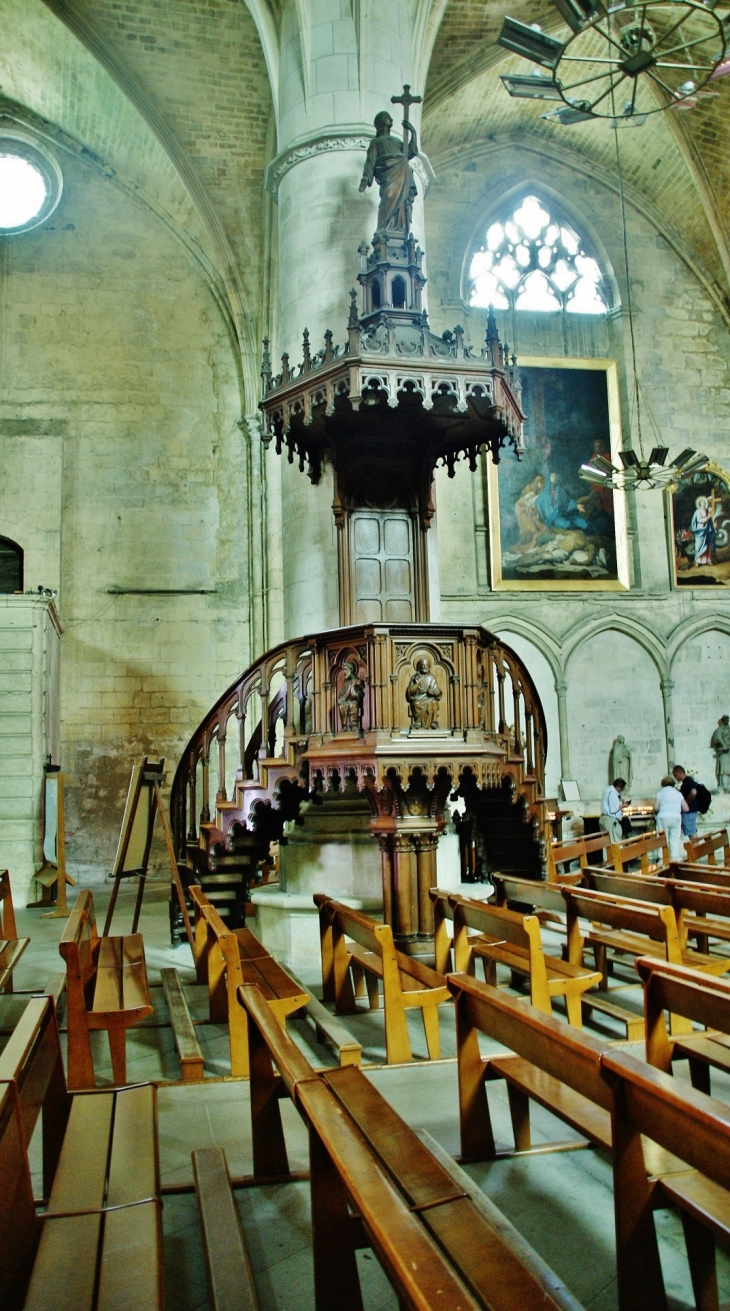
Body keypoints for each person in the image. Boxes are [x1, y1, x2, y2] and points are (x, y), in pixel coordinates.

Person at [359, 111, 418, 233]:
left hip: (402, 174)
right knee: (389, 198)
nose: (391, 118)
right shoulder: (376, 143)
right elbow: (370, 162)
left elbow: (410, 153)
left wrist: (413, 133)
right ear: (381, 124)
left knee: (401, 206)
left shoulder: (396, 141)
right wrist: (365, 178)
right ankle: (383, 232)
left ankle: (399, 229)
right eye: (387, 117)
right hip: (388, 176)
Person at [654, 774, 688, 861]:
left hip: (663, 817)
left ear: (663, 784)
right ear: (673, 784)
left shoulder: (660, 793)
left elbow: (655, 808)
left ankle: (662, 858)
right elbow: (686, 808)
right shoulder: (678, 793)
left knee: (662, 838)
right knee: (675, 839)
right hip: (676, 817)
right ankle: (675, 858)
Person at [406, 656, 442, 729]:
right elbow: (410, 692)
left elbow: (437, 691)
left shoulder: (431, 677)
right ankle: (418, 722)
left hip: (429, 698)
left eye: (426, 665)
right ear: (419, 666)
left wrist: (433, 692)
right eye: (423, 665)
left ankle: (434, 722)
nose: (425, 667)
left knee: (434, 702)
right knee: (415, 703)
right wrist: (417, 683)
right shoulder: (415, 677)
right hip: (418, 698)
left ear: (429, 666)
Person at [672, 764, 700, 839]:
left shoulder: (687, 781)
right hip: (690, 811)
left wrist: (686, 802)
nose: (675, 777)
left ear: (680, 772)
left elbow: (693, 792)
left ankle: (696, 849)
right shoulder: (686, 782)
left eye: (675, 775)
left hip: (690, 812)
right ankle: (696, 849)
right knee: (692, 832)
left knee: (692, 834)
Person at [600, 777, 628, 844]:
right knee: (615, 842)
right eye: (622, 789)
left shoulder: (608, 788)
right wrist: (623, 806)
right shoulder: (612, 793)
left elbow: (617, 795)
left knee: (606, 843)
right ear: (619, 787)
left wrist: (621, 799)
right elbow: (613, 810)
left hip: (604, 818)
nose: (621, 791)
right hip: (610, 821)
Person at [691, 495, 716, 567]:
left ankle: (708, 559)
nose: (703, 504)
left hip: (707, 530)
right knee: (699, 545)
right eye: (701, 503)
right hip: (700, 530)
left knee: (708, 544)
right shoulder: (697, 511)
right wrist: (708, 517)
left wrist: (711, 516)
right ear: (699, 504)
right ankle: (697, 560)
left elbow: (710, 520)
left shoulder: (706, 510)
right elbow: (699, 520)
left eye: (704, 503)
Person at [711, 715, 730, 791]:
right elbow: (717, 738)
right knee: (722, 768)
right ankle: (722, 785)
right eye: (725, 719)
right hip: (723, 751)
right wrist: (723, 745)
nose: (726, 721)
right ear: (722, 721)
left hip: (729, 750)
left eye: (727, 719)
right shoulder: (719, 729)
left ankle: (727, 785)